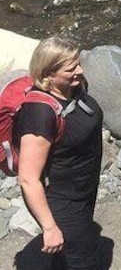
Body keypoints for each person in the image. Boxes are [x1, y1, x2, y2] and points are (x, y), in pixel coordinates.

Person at [14, 36, 104, 270]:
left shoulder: (73, 86)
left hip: (84, 189)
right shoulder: (39, 114)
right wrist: (50, 227)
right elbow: (28, 178)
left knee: (67, 258)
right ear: (48, 74)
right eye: (71, 68)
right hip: (61, 200)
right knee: (84, 262)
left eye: (78, 62)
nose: (80, 70)